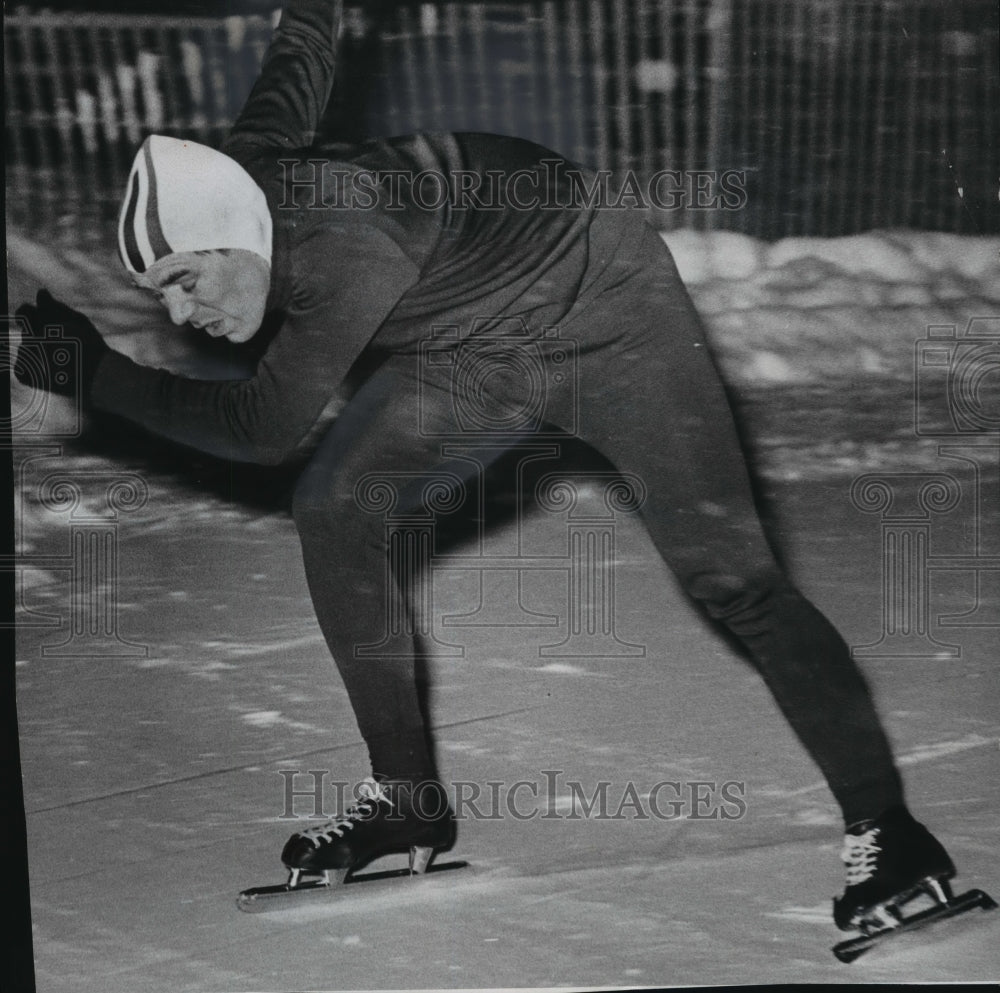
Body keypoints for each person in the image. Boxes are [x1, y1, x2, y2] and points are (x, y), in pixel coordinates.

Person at [14, 0, 959, 930]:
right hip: (477, 340)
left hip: (607, 309)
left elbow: (259, 427)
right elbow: (297, 59)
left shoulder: (340, 247)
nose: (182, 315)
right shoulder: (244, 178)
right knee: (338, 508)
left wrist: (93, 371)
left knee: (735, 579)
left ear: (233, 234)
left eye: (185, 281)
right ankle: (407, 800)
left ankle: (890, 827)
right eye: (161, 293)